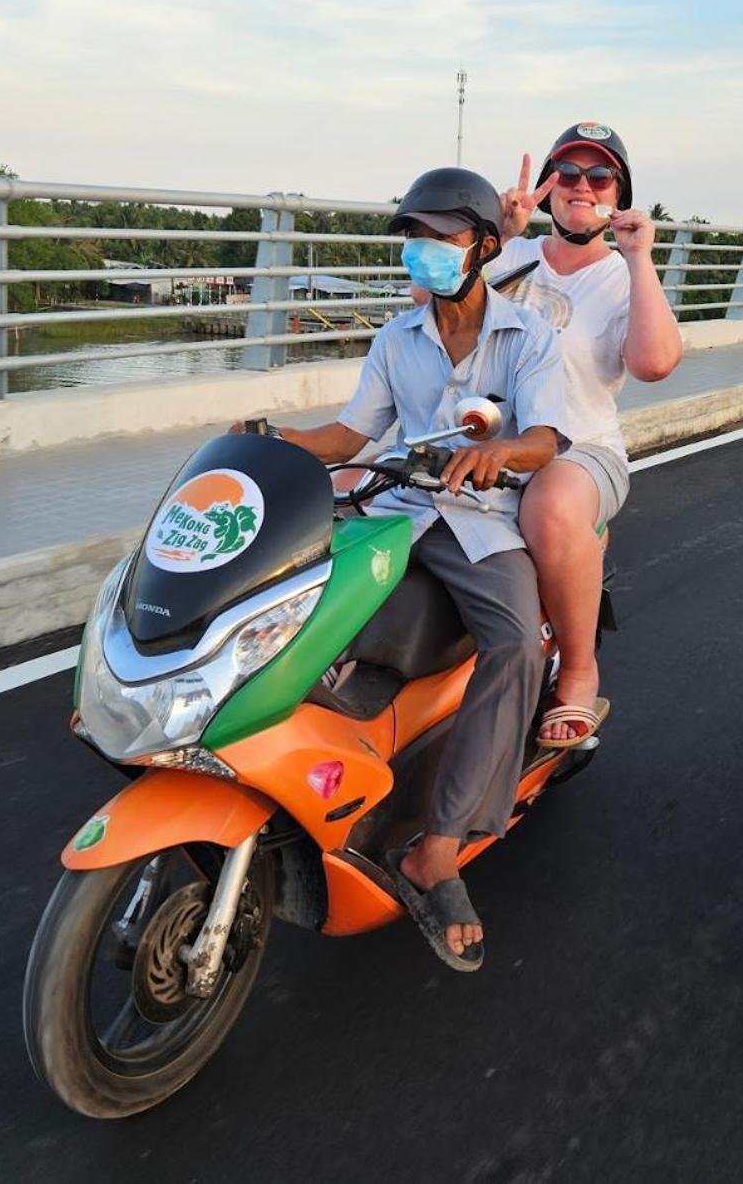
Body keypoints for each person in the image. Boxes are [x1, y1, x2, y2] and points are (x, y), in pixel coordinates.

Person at [258, 167, 568, 971]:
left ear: (484, 247)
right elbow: (353, 436)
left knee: (515, 646)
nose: (422, 252)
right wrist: (278, 438)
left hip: (480, 522)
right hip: (397, 510)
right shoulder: (395, 339)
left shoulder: (527, 336)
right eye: (414, 238)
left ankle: (437, 845)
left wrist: (500, 451)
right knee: (297, 603)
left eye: (439, 237)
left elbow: (548, 438)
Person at [490, 122, 683, 747]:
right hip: (486, 442)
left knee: (547, 508)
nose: (581, 187)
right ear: (547, 188)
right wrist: (494, 237)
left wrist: (640, 256)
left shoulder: (626, 276)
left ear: (618, 193)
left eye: (599, 176)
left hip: (579, 451)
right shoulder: (508, 257)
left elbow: (655, 363)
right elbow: (424, 315)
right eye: (567, 174)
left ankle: (578, 671)